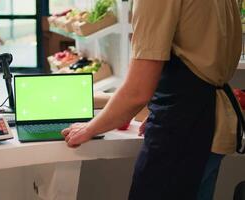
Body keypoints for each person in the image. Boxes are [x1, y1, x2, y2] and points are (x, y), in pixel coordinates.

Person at [62, 0, 244, 199]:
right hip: (212, 124)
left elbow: (138, 91)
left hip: (184, 130)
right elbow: (200, 58)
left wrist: (90, 128)